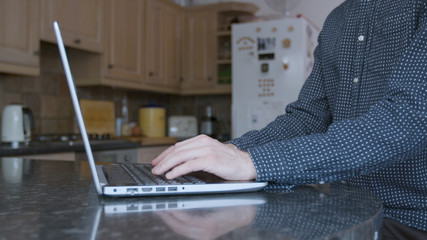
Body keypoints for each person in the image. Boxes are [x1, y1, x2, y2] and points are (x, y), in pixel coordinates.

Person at [152, 0, 427, 238]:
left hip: (411, 219)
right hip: (349, 211)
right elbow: (308, 118)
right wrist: (232, 151)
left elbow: (407, 120)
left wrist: (253, 162)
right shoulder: (338, 20)